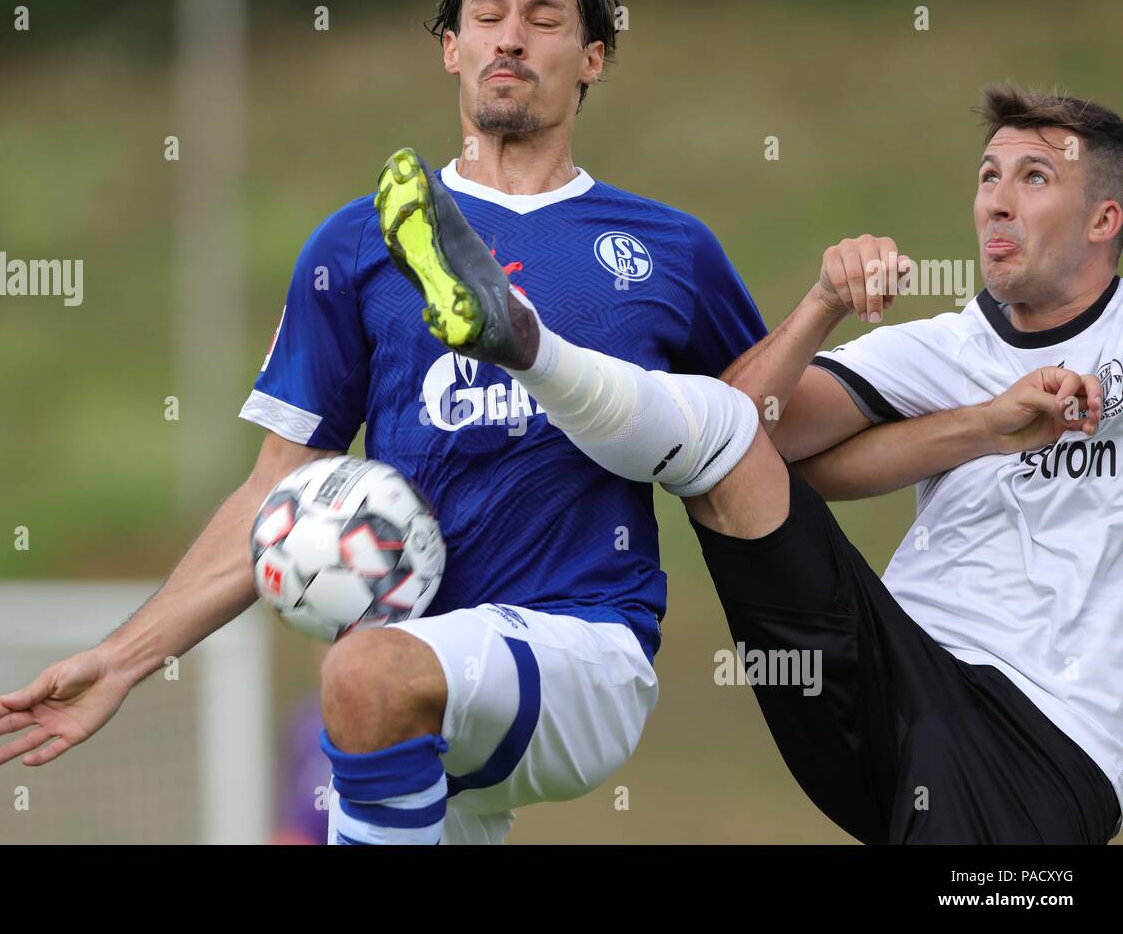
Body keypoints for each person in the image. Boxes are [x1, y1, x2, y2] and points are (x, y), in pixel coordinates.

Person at [0, 0, 770, 844]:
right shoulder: (358, 242)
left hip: (583, 643)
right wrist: (121, 661)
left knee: (360, 673)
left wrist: (841, 331)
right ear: (450, 48)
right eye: (487, 15)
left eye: (544, 18)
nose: (511, 38)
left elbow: (771, 427)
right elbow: (275, 489)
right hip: (416, 685)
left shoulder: (668, 248)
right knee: (367, 692)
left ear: (591, 59)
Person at [392, 82, 1123, 842]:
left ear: (1105, 219)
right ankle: (527, 342)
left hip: (1041, 737)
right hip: (879, 677)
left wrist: (993, 430)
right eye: (988, 176)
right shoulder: (947, 346)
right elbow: (748, 428)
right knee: (720, 435)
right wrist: (824, 304)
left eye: (1034, 177)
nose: (997, 201)